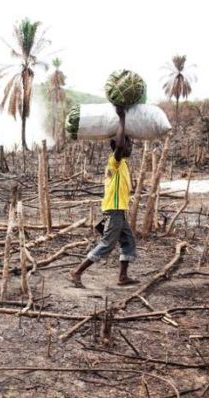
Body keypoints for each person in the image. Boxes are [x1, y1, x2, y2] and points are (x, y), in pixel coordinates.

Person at [70, 107, 139, 288]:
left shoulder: (123, 164)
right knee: (107, 244)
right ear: (118, 147)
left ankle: (123, 277)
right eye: (127, 145)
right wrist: (122, 118)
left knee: (128, 242)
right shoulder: (114, 161)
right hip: (114, 212)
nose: (130, 148)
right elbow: (121, 146)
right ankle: (77, 272)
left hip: (119, 211)